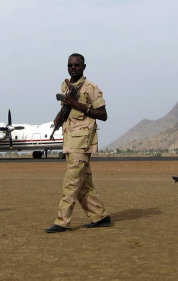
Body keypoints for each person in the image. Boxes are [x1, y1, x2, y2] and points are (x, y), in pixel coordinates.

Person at [45, 53, 112, 233]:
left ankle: (62, 221)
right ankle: (100, 216)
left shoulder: (91, 88)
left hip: (82, 142)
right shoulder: (65, 86)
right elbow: (66, 110)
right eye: (70, 65)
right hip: (70, 140)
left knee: (71, 182)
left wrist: (77, 104)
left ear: (83, 67)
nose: (73, 68)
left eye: (76, 65)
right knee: (83, 184)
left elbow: (103, 115)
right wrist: (59, 118)